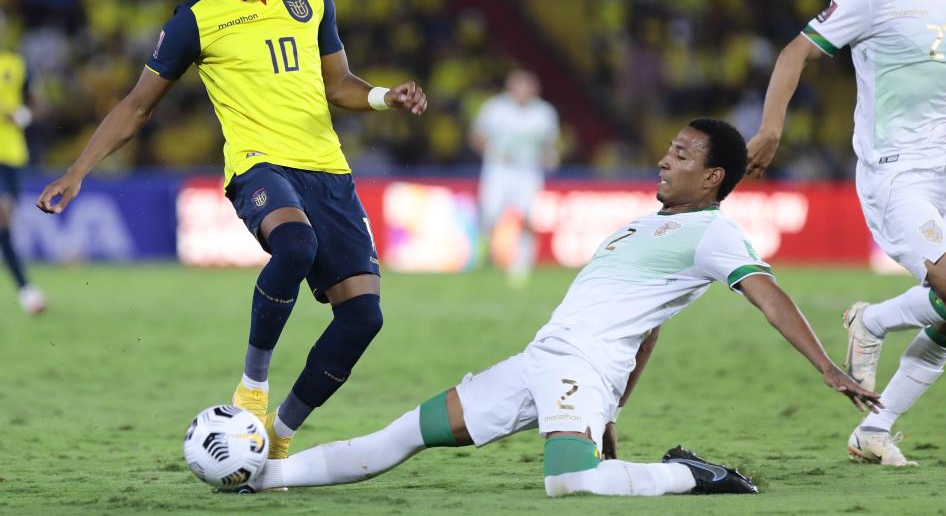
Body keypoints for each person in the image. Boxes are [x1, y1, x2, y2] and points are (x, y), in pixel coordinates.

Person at [239, 119, 879, 496]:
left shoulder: (716, 234)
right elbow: (646, 325)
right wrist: (611, 409)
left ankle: (690, 477)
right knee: (400, 436)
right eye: (669, 149)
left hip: (580, 367)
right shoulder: (637, 226)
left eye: (682, 155)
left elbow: (770, 298)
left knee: (570, 482)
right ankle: (257, 476)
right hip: (543, 361)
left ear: (713, 178)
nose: (664, 159)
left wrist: (825, 365)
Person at [35, 0, 427, 459]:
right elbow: (137, 107)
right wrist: (77, 171)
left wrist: (388, 96)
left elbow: (337, 83)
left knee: (364, 317)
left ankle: (278, 435)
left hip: (328, 171)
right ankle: (253, 387)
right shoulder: (195, 22)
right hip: (258, 166)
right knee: (293, 244)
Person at [746, 0, 946, 467]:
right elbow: (795, 52)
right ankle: (873, 320)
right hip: (897, 176)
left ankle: (875, 426)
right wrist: (770, 128)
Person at [470, 69, 559, 286]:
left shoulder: (544, 113)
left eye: (527, 87)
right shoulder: (495, 108)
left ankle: (521, 267)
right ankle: (485, 257)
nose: (523, 91)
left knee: (528, 217)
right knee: (490, 216)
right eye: (518, 86)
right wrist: (493, 152)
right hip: (498, 170)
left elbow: (549, 145)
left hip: (528, 172)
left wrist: (550, 157)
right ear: (510, 88)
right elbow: (476, 136)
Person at [0, 42, 45, 314]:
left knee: (4, 225)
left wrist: (20, 115)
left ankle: (25, 289)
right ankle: (26, 290)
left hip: (10, 156)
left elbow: (39, 104)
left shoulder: (17, 65)